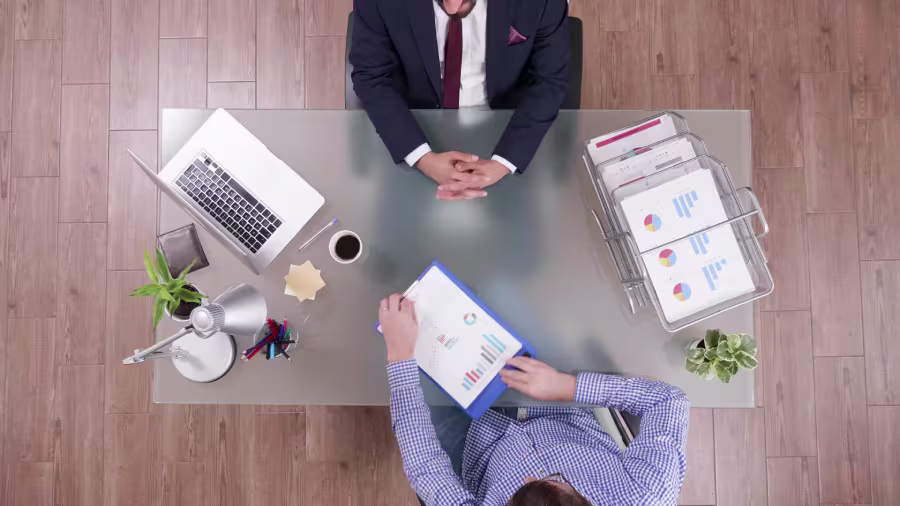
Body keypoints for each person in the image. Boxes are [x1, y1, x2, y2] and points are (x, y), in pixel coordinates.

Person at [378, 293, 691, 505]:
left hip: (478, 443)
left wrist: (400, 356)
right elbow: (668, 403)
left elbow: (426, 469)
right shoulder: (647, 495)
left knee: (410, 345)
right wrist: (568, 387)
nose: (528, 474)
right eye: (557, 479)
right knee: (505, 289)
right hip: (560, 408)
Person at [350, 0, 570, 201]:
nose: (452, 8)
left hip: (509, 127)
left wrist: (504, 162)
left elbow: (549, 80)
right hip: (413, 125)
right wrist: (421, 157)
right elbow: (371, 76)